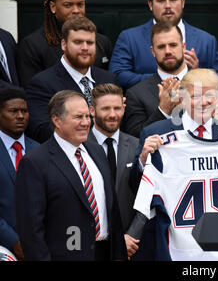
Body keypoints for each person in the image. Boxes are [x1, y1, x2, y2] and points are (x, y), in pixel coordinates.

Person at [15, 90, 127, 261]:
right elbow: (31, 228)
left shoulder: (96, 151)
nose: (85, 123)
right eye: (77, 117)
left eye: (87, 116)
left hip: (105, 252)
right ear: (57, 120)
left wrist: (119, 254)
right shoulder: (35, 162)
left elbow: (112, 210)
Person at [128, 68, 218, 194]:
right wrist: (143, 160)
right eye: (196, 96)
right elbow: (135, 189)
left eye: (210, 95)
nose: (204, 102)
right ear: (182, 98)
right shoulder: (156, 133)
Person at [109, 0, 218, 90]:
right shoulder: (130, 38)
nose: (168, 5)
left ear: (182, 2)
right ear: (150, 4)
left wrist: (197, 74)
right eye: (161, 0)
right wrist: (165, 78)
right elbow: (118, 75)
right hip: (148, 109)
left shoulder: (206, 41)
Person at [25, 16, 118, 143]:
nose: (85, 47)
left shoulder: (108, 78)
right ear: (64, 44)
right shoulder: (42, 83)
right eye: (78, 42)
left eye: (90, 43)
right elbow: (41, 130)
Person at [17, 0, 112, 86]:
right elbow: (31, 89)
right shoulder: (33, 45)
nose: (76, 10)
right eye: (68, 5)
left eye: (80, 4)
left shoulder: (102, 42)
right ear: (53, 7)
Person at [87, 83, 140, 259]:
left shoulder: (137, 146)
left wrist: (130, 236)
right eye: (105, 109)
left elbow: (147, 197)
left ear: (124, 108)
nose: (112, 114)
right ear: (92, 110)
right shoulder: (80, 147)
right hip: (92, 246)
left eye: (117, 108)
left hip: (133, 245)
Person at [122, 22, 185, 138]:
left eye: (173, 45)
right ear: (153, 51)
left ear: (183, 46)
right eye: (161, 47)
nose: (167, 51)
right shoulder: (136, 94)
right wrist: (163, 111)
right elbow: (134, 139)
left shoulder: (204, 84)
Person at [0, 89, 39, 260]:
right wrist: (13, 241)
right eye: (13, 111)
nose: (21, 116)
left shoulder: (41, 150)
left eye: (24, 111)